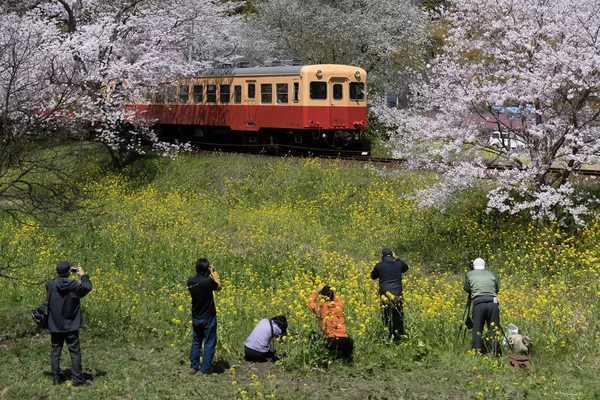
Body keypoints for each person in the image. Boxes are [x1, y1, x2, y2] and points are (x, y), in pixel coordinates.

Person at [47, 260, 93, 386]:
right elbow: (87, 287)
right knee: (75, 352)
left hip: (55, 325)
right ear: (69, 271)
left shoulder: (50, 284)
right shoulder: (74, 285)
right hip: (71, 325)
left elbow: (57, 283)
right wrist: (82, 275)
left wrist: (64, 275)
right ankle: (77, 379)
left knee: (56, 351)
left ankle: (56, 378)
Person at [187, 258, 222, 375]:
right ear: (207, 268)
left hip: (196, 316)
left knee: (196, 341)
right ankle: (206, 369)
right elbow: (218, 286)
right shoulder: (208, 281)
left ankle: (193, 367)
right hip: (208, 317)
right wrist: (212, 273)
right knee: (209, 343)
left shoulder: (190, 281)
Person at [371, 248, 409, 343]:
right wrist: (397, 258)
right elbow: (406, 267)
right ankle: (398, 338)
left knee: (386, 316)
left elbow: (373, 276)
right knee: (398, 316)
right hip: (397, 295)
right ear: (392, 255)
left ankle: (387, 337)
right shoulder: (398, 264)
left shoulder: (379, 266)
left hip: (385, 295)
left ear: (382, 256)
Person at [463, 257, 500, 354]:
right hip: (493, 303)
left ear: (474, 266)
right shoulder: (491, 274)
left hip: (479, 303)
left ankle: (476, 351)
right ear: (484, 266)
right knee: (494, 328)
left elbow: (466, 288)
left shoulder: (470, 274)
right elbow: (496, 289)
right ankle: (495, 352)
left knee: (477, 328)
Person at [307, 285, 353, 362]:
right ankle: (345, 359)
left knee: (312, 334)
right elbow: (339, 300)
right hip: (344, 342)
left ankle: (318, 356)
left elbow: (309, 303)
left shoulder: (319, 308)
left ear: (322, 296)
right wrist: (332, 291)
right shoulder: (340, 306)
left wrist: (317, 291)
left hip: (328, 341)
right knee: (350, 341)